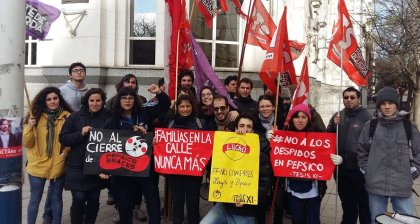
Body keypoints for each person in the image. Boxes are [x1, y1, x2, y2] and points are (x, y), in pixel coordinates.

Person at [357, 86, 420, 223]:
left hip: (402, 185)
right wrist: (367, 171)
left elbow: (418, 153)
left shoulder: (409, 127)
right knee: (377, 220)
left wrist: (412, 172)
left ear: (396, 105)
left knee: (406, 220)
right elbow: (361, 152)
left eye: (390, 103)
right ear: (379, 105)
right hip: (376, 185)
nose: (387, 107)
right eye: (383, 103)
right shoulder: (370, 126)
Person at [110, 85, 169, 224]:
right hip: (124, 167)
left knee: (152, 196)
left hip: (145, 164)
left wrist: (159, 92)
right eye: (124, 98)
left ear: (135, 100)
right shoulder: (113, 117)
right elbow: (107, 139)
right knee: (124, 199)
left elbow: (165, 105)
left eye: (130, 98)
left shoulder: (144, 112)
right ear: (119, 100)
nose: (127, 100)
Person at [200, 114, 272, 224]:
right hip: (224, 206)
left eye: (249, 126)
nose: (245, 129)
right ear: (236, 128)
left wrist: (247, 200)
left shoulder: (261, 150)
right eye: (242, 126)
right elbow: (213, 168)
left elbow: (265, 183)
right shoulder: (226, 143)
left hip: (245, 211)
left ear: (253, 131)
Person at [280, 104, 342, 224]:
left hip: (313, 188)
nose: (300, 120)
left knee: (313, 220)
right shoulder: (285, 134)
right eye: (297, 117)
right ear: (292, 119)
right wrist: (272, 138)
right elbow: (277, 154)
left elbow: (326, 152)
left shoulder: (318, 134)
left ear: (308, 119)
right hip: (293, 187)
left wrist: (336, 159)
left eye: (304, 117)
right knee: (297, 220)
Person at [59, 88, 113, 224]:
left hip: (97, 167)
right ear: (87, 101)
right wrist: (80, 133)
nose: (95, 104)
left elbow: (116, 141)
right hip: (76, 166)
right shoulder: (75, 117)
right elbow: (63, 138)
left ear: (103, 101)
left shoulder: (109, 117)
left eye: (98, 101)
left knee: (94, 199)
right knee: (79, 199)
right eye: (92, 100)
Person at [23, 87, 73, 224]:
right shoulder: (35, 116)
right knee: (35, 199)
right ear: (44, 101)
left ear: (59, 99)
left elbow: (70, 139)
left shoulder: (67, 117)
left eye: (55, 98)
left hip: (58, 162)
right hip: (37, 164)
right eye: (49, 99)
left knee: (56, 198)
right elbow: (27, 143)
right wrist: (29, 127)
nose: (52, 101)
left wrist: (66, 152)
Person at [326, 86, 372, 224]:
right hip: (341, 170)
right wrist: (333, 125)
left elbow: (371, 144)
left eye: (352, 97)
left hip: (360, 170)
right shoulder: (338, 115)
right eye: (346, 97)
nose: (349, 100)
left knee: (364, 203)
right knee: (347, 204)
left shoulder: (367, 117)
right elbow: (328, 138)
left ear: (358, 99)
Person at [165, 95, 205, 224]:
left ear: (192, 107)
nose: (185, 109)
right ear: (177, 108)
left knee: (193, 201)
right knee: (177, 200)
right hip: (175, 170)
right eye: (182, 106)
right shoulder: (171, 123)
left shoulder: (200, 123)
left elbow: (206, 144)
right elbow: (165, 143)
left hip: (193, 170)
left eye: (188, 106)